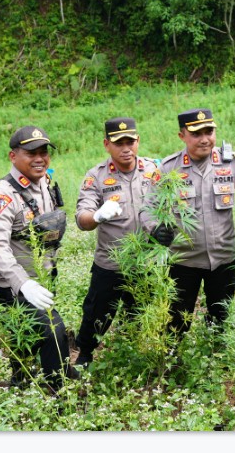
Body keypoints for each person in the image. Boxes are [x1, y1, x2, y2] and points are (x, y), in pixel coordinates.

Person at [141, 108, 235, 336]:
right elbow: (147, 209)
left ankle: (216, 352)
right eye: (196, 134)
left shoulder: (232, 162)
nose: (204, 139)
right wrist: (155, 229)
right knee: (177, 319)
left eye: (209, 132)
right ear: (182, 135)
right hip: (184, 261)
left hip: (223, 258)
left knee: (221, 316)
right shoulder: (168, 168)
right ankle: (172, 354)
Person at [0, 125, 77, 389]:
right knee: (53, 329)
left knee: (24, 334)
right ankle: (57, 387)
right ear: (13, 156)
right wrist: (23, 284)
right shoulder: (1, 195)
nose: (40, 158)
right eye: (31, 153)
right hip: (15, 286)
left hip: (42, 279)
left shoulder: (43, 183)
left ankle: (21, 379)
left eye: (44, 152)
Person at [74, 117, 158, 366]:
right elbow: (82, 217)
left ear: (138, 141)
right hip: (111, 263)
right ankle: (85, 355)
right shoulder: (97, 176)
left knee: (140, 313)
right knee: (96, 314)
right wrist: (96, 216)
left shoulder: (155, 170)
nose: (126, 148)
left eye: (130, 142)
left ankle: (132, 357)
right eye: (119, 143)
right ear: (106, 145)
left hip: (145, 262)